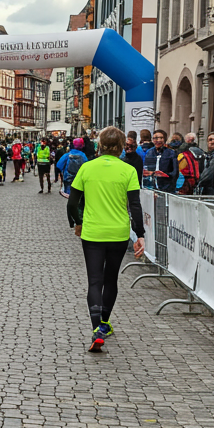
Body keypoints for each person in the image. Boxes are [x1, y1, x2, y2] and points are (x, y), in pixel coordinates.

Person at [68, 126, 145, 351]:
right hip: (118, 232)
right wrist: (140, 234)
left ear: (99, 145)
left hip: (93, 231)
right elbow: (135, 205)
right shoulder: (128, 170)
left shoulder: (87, 168)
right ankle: (104, 324)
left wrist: (78, 222)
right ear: (122, 146)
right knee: (110, 279)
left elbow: (72, 203)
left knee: (94, 280)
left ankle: (96, 330)